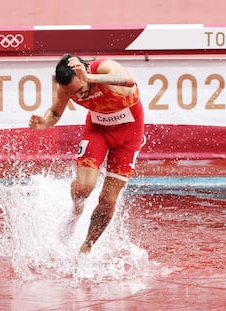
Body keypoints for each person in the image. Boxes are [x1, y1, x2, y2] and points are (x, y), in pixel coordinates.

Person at [28, 54, 144, 253]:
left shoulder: (104, 69)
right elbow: (55, 112)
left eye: (81, 90)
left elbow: (130, 82)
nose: (80, 97)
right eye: (74, 94)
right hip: (98, 131)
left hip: (129, 136)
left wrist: (92, 80)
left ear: (87, 73)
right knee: (84, 187)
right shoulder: (66, 88)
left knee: (108, 200)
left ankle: (86, 247)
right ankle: (76, 208)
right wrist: (45, 122)